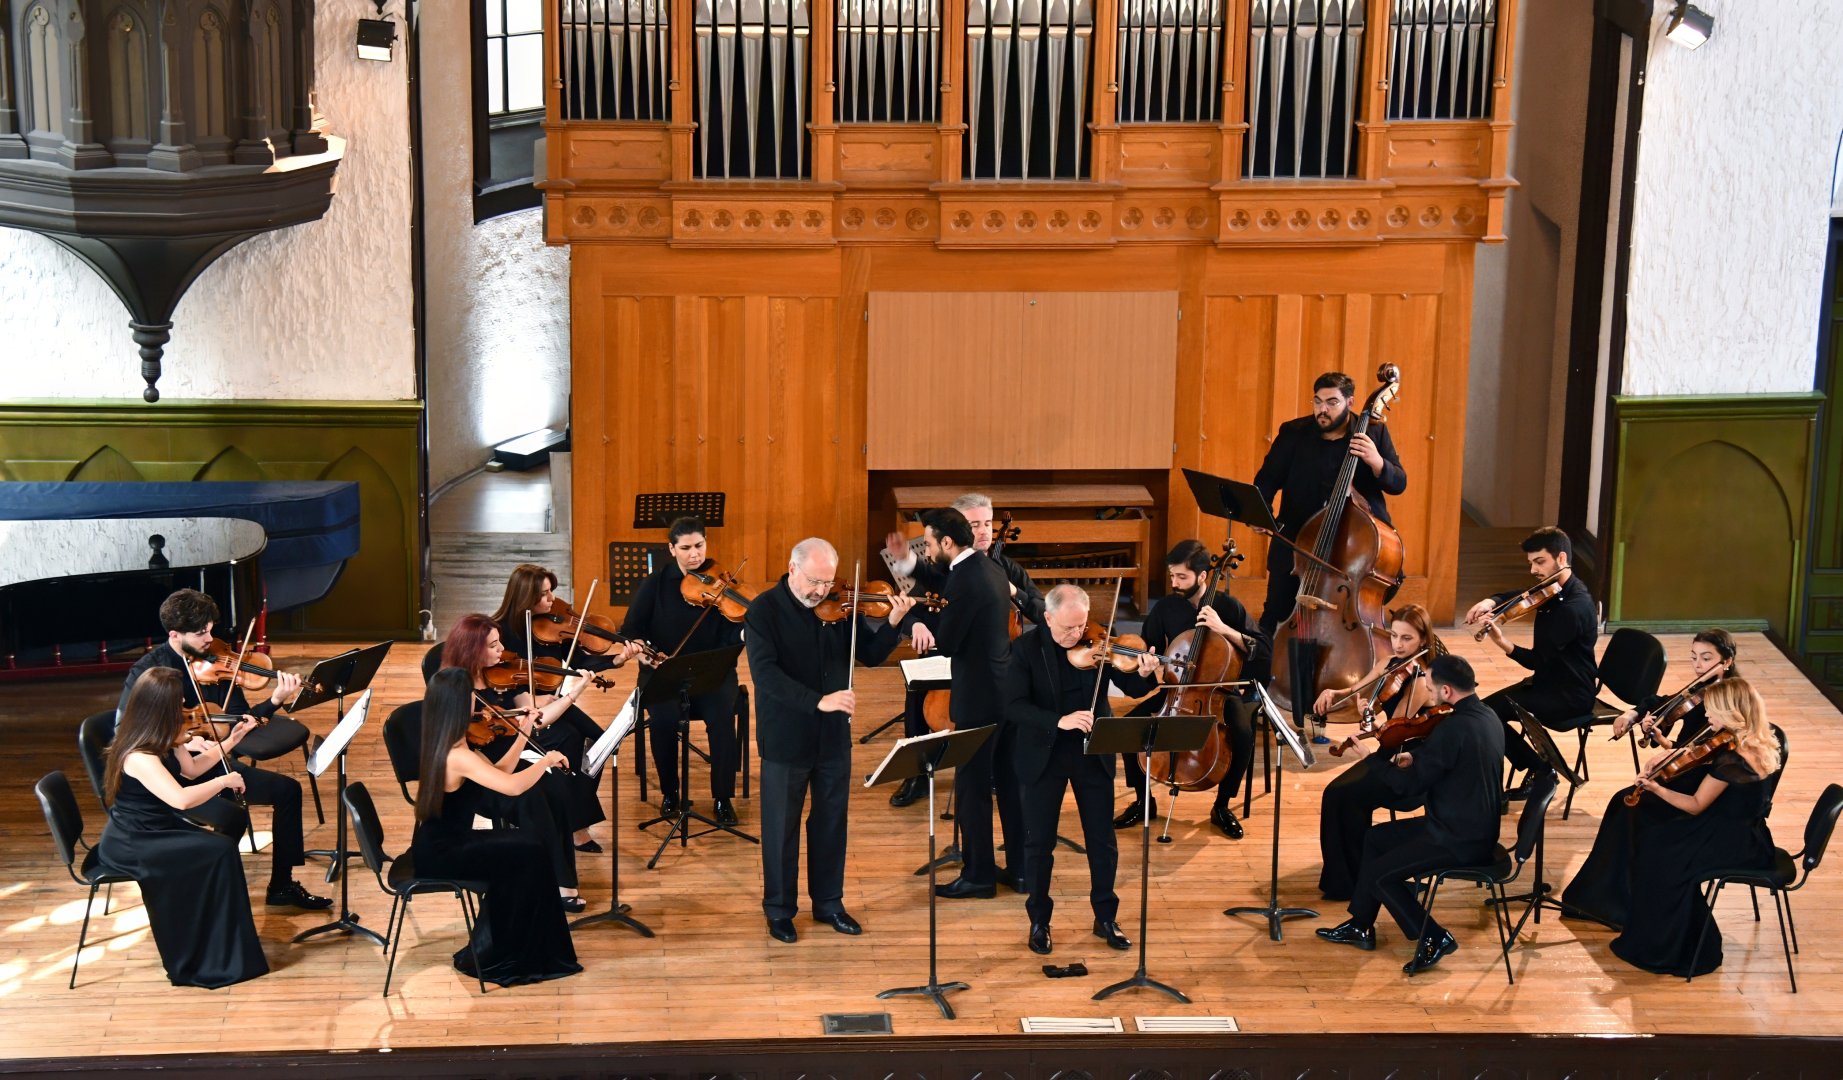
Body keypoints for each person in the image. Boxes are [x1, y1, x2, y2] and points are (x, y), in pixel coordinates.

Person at [117, 588, 329, 911]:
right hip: (172, 782)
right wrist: (183, 741)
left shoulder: (214, 664)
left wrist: (275, 701)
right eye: (201, 632)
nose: (209, 637)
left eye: (211, 628)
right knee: (233, 817)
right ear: (175, 635)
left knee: (288, 791)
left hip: (208, 764)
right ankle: (209, 886)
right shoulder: (149, 675)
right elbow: (126, 733)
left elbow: (241, 718)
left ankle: (282, 886)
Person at [746, 538, 912, 942]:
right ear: (792, 568)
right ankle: (780, 910)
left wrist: (892, 625)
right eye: (814, 581)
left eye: (827, 581)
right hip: (786, 736)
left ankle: (829, 904)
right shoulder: (764, 611)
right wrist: (817, 701)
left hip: (834, 736)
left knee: (831, 822)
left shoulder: (841, 606)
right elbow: (765, 677)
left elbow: (869, 656)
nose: (821, 590)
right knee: (781, 826)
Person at [1315, 655, 1504, 975]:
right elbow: (1451, 766)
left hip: (1457, 837)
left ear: (1447, 691)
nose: (1428, 695)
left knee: (1380, 874)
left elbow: (1405, 790)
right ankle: (1361, 925)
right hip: (1471, 824)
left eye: (1430, 689)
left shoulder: (1453, 729)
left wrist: (1372, 759)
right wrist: (1410, 760)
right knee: (1374, 839)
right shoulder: (1487, 717)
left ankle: (1434, 936)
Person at [94, 668, 269, 988]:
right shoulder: (138, 756)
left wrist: (231, 740)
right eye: (179, 705)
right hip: (134, 840)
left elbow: (191, 769)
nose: (186, 710)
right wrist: (224, 780)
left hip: (159, 827)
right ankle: (208, 953)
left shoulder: (167, 737)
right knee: (219, 849)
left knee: (219, 849)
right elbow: (181, 799)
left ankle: (219, 943)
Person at [1007, 584, 1156, 955]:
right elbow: (1013, 706)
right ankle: (1039, 921)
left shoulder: (1100, 644)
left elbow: (1132, 686)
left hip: (1094, 751)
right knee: (1039, 843)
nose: (1078, 635)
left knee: (1102, 841)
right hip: (1045, 752)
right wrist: (1058, 720)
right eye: (1068, 629)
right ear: (1047, 617)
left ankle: (1105, 917)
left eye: (1081, 626)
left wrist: (1147, 672)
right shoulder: (1025, 649)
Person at [411, 667, 582, 986]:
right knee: (528, 854)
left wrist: (523, 733)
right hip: (443, 852)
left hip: (447, 843)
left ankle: (516, 945)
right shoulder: (457, 754)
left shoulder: (451, 742)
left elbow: (497, 773)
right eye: (471, 698)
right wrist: (544, 762)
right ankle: (506, 952)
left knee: (530, 847)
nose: (477, 704)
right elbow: (512, 787)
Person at [1561, 630, 1742, 928]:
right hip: (1689, 770)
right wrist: (1658, 736)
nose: (1699, 666)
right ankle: (1602, 899)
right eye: (1694, 658)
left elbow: (1713, 757)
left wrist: (1665, 765)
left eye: (1707, 659)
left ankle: (1620, 902)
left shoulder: (1727, 699)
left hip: (1702, 787)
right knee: (1622, 804)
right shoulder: (1701, 689)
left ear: (1727, 661)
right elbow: (1681, 730)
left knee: (1628, 807)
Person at [1606, 678, 1782, 977]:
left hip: (1733, 844)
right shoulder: (1753, 741)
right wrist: (1668, 748)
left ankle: (1671, 949)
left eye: (1712, 711)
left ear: (1729, 712)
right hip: (1748, 834)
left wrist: (1655, 789)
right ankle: (1675, 935)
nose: (1707, 716)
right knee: (1656, 841)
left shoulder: (1732, 761)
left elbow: (1696, 804)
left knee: (1658, 854)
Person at [884, 492, 1044, 810]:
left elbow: (1041, 610)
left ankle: (995, 765)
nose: (983, 531)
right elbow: (918, 598)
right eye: (975, 524)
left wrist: (1015, 592)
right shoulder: (948, 564)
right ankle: (917, 771)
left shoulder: (1004, 568)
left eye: (987, 523)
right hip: (954, 658)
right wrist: (914, 624)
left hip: (986, 666)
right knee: (917, 687)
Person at [442, 613, 602, 912]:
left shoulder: (501, 674)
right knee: (535, 798)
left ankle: (559, 874)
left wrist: (571, 694)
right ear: (472, 649)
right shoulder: (455, 691)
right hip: (480, 775)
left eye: (499, 641)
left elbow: (533, 721)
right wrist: (535, 754)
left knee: (559, 786)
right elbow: (487, 769)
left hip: (513, 754)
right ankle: (555, 881)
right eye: (493, 645)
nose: (502, 649)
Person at [1112, 539, 1269, 838]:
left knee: (1243, 735)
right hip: (1175, 691)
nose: (1174, 583)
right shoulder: (1166, 609)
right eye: (1172, 576)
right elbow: (1151, 652)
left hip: (1219, 693)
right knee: (1128, 728)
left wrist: (1224, 629)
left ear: (1202, 576)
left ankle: (1222, 806)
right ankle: (1143, 802)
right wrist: (1146, 669)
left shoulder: (1228, 607)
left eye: (1181, 577)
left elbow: (1262, 650)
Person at [912, 506, 1017, 898]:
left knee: (972, 788)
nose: (926, 551)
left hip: (977, 697)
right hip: (1003, 688)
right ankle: (1019, 868)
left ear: (946, 542)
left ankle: (979, 876)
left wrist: (923, 630)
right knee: (1006, 782)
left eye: (928, 543)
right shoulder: (991, 569)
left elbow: (950, 642)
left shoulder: (964, 580)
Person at [1252, 371, 1408, 637]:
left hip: (1352, 550)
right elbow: (1265, 481)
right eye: (1318, 402)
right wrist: (1261, 514)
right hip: (1296, 544)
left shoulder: (1373, 432)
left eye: (1331, 402)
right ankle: (1269, 676)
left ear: (1349, 402)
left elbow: (1398, 483)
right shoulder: (1293, 433)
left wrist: (1376, 461)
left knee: (1346, 626)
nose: (1322, 410)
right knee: (1275, 617)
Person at [492, 562, 630, 851]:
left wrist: (614, 660)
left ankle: (574, 818)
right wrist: (533, 699)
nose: (552, 599)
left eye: (551, 591)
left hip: (552, 705)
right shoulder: (502, 634)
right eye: (544, 595)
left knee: (602, 741)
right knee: (571, 740)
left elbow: (575, 663)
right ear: (524, 598)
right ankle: (575, 827)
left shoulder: (549, 625)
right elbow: (503, 684)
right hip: (519, 714)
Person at [1314, 604, 1445, 901]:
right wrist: (1333, 693)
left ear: (1424, 640)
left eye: (1407, 639)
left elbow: (1391, 733)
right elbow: (1358, 688)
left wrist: (1368, 721)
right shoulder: (1390, 663)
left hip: (1406, 765)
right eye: (1395, 636)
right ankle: (1348, 876)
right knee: (1336, 794)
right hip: (1389, 754)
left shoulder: (1422, 682)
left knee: (1341, 795)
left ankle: (1352, 880)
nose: (1398, 645)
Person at [620, 517, 745, 824]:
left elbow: (732, 633)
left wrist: (744, 633)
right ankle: (671, 793)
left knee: (721, 718)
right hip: (664, 670)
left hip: (712, 671)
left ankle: (722, 797)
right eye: (686, 548)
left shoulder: (722, 583)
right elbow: (632, 630)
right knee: (662, 720)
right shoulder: (655, 584)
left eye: (699, 546)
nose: (694, 555)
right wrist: (643, 655)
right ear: (671, 549)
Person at [1462, 527, 1598, 798]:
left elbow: (1536, 660)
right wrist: (1492, 600)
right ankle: (1535, 769)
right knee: (1485, 712)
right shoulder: (1554, 587)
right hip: (1549, 681)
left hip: (1569, 695)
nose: (1534, 570)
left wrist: (1503, 644)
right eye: (1531, 563)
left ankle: (1540, 771)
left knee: (1487, 716)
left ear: (1561, 559)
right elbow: (1524, 593)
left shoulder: (1573, 608)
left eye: (1539, 562)